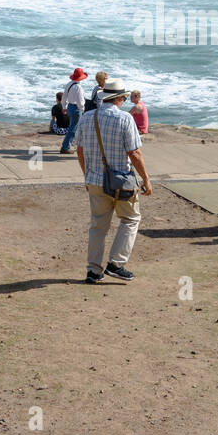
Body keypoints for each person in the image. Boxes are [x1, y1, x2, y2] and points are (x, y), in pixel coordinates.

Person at [75, 78, 152, 284]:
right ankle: (116, 264)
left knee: (98, 226)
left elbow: (79, 150)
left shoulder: (86, 117)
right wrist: (146, 179)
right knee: (130, 219)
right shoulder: (125, 119)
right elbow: (134, 153)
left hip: (94, 180)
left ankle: (93, 271)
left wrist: (87, 175)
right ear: (119, 99)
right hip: (121, 182)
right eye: (124, 98)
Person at [59, 67, 87, 154]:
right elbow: (80, 102)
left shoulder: (69, 84)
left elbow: (64, 97)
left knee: (72, 127)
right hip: (76, 108)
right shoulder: (78, 87)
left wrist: (64, 107)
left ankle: (67, 145)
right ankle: (65, 147)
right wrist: (83, 110)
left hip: (70, 107)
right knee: (73, 129)